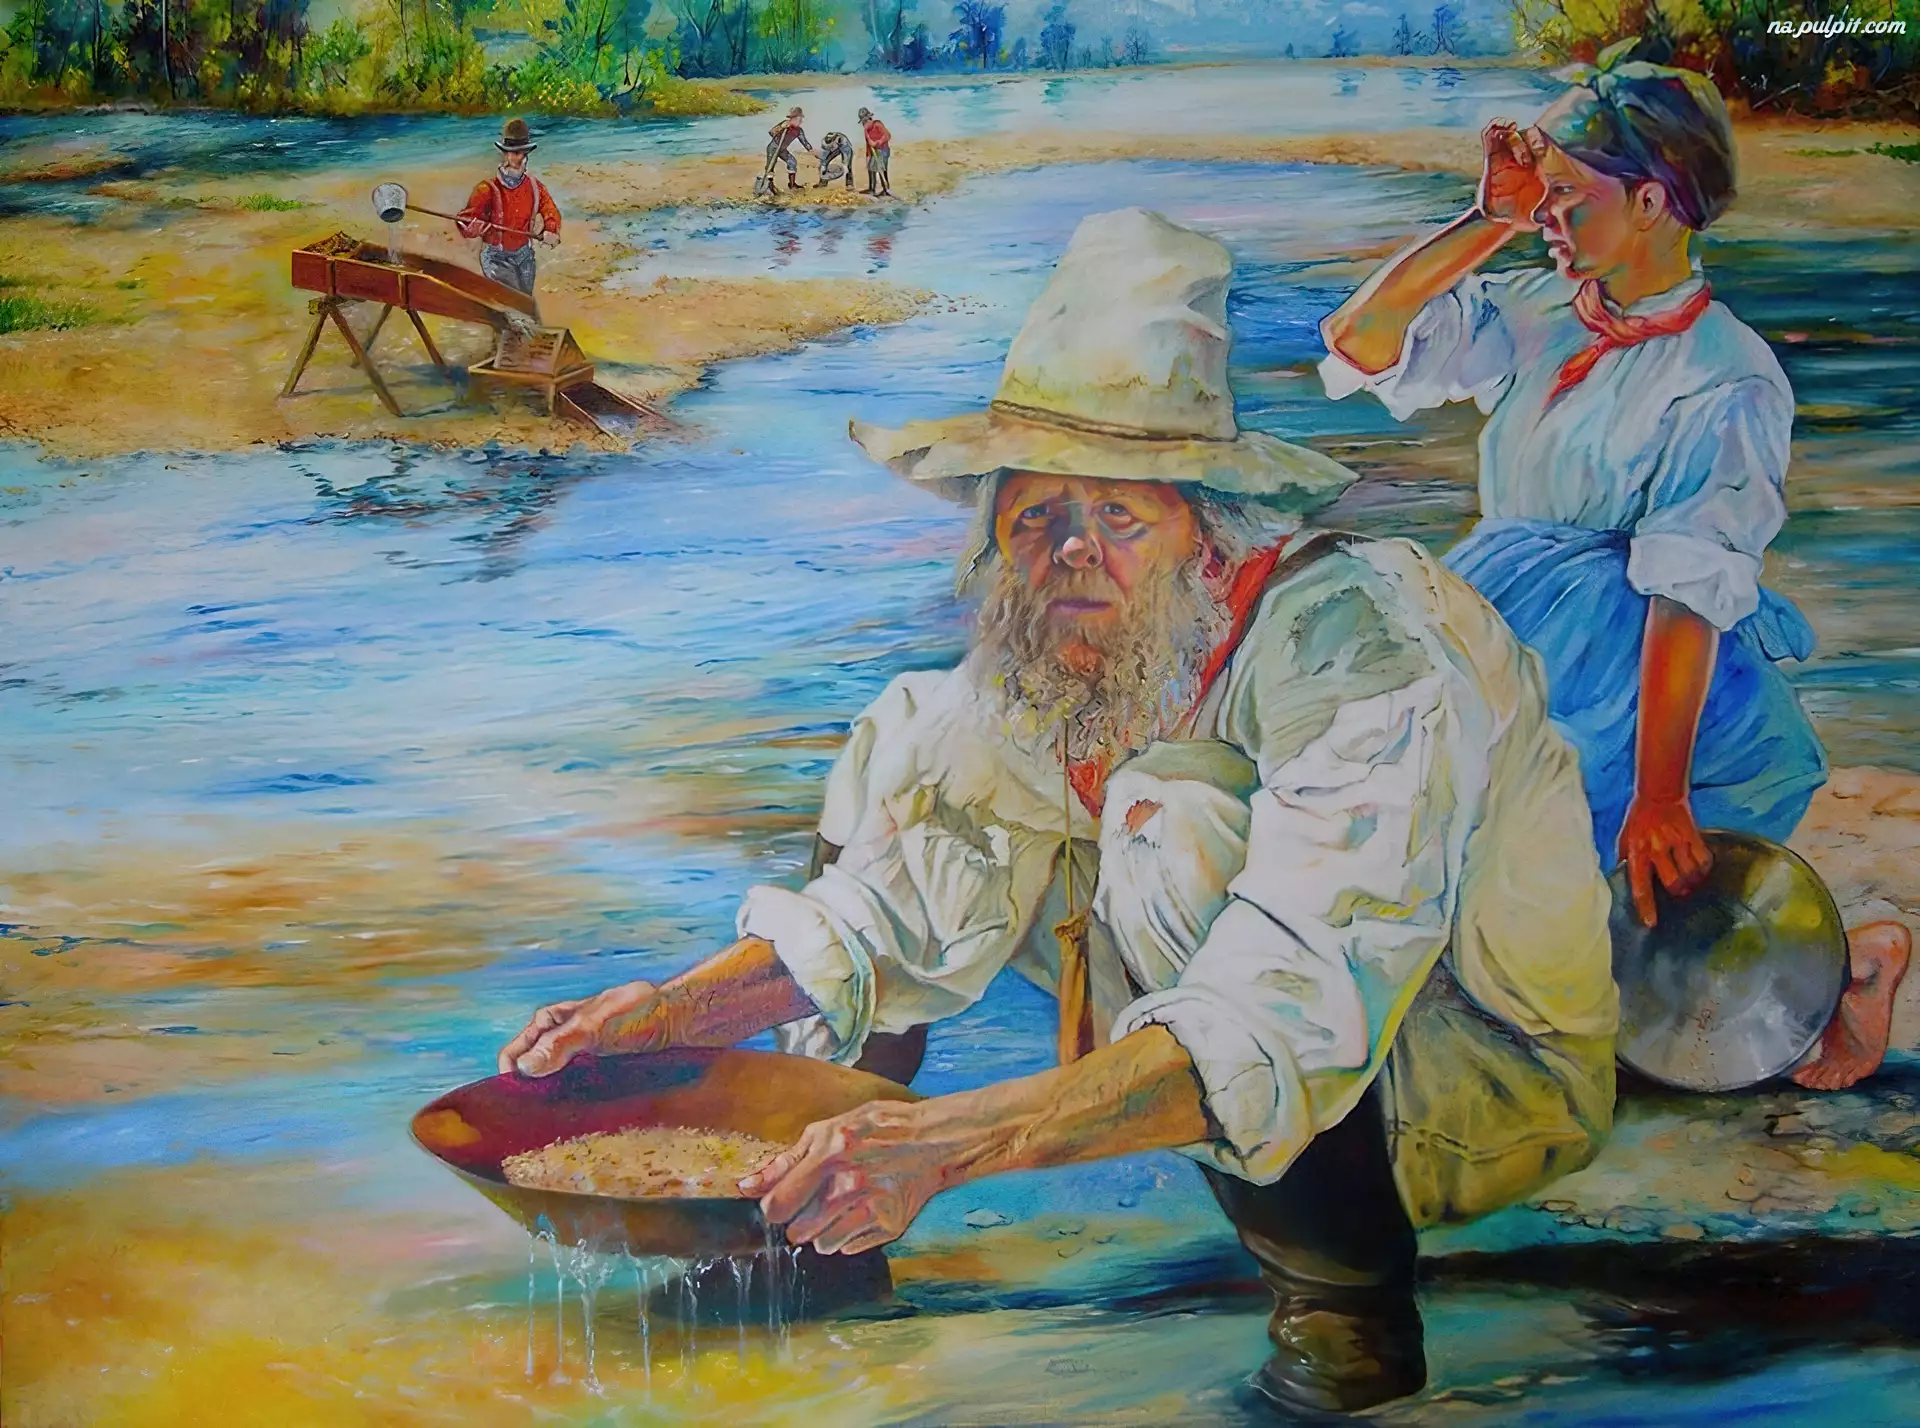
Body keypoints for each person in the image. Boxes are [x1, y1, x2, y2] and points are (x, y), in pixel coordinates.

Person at [500, 209, 1622, 1415]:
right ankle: (815, 1240)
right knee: (907, 739)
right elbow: (895, 905)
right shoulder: (1066, 653)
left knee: (1167, 822)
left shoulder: (1363, 645)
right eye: (1038, 515)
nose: (1074, 552)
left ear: (1203, 523)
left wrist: (944, 1144)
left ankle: (1347, 1310)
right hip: (1257, 1031)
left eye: (1120, 517)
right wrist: (667, 1017)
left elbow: (1301, 992)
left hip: (1457, 1078)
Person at [1318, 58, 1910, 1091]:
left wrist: (1660, 792)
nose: (1547, 214)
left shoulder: (1726, 376)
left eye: (1565, 194)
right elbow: (1359, 337)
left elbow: (1686, 591)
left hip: (1628, 671)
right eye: (1543, 194)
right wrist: (1488, 221)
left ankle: (1839, 980)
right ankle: (1843, 965)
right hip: (1504, 622)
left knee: (1540, 889)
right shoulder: (1542, 310)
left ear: (1651, 200)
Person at [456, 118, 561, 297]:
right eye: (512, 153)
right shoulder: (486, 188)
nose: (516, 158)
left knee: (525, 303)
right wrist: (472, 227)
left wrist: (551, 229)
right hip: (496, 258)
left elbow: (551, 211)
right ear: (504, 154)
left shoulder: (535, 187)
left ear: (526, 155)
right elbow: (466, 220)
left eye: (521, 153)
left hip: (525, 257)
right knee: (511, 302)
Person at [764, 107, 814, 194]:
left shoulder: (798, 131)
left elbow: (805, 142)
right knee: (770, 166)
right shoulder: (785, 124)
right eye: (799, 119)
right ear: (793, 119)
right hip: (774, 148)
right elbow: (771, 133)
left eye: (801, 119)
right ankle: (769, 186)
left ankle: (792, 184)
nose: (801, 121)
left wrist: (812, 151)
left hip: (782, 150)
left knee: (792, 162)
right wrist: (781, 128)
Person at [859, 106, 892, 197]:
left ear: (870, 119)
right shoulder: (866, 131)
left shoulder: (877, 124)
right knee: (871, 168)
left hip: (883, 150)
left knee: (881, 169)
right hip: (873, 152)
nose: (864, 124)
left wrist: (879, 142)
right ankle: (871, 189)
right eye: (863, 122)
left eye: (865, 121)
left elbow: (887, 135)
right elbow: (868, 144)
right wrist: (868, 156)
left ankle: (885, 189)